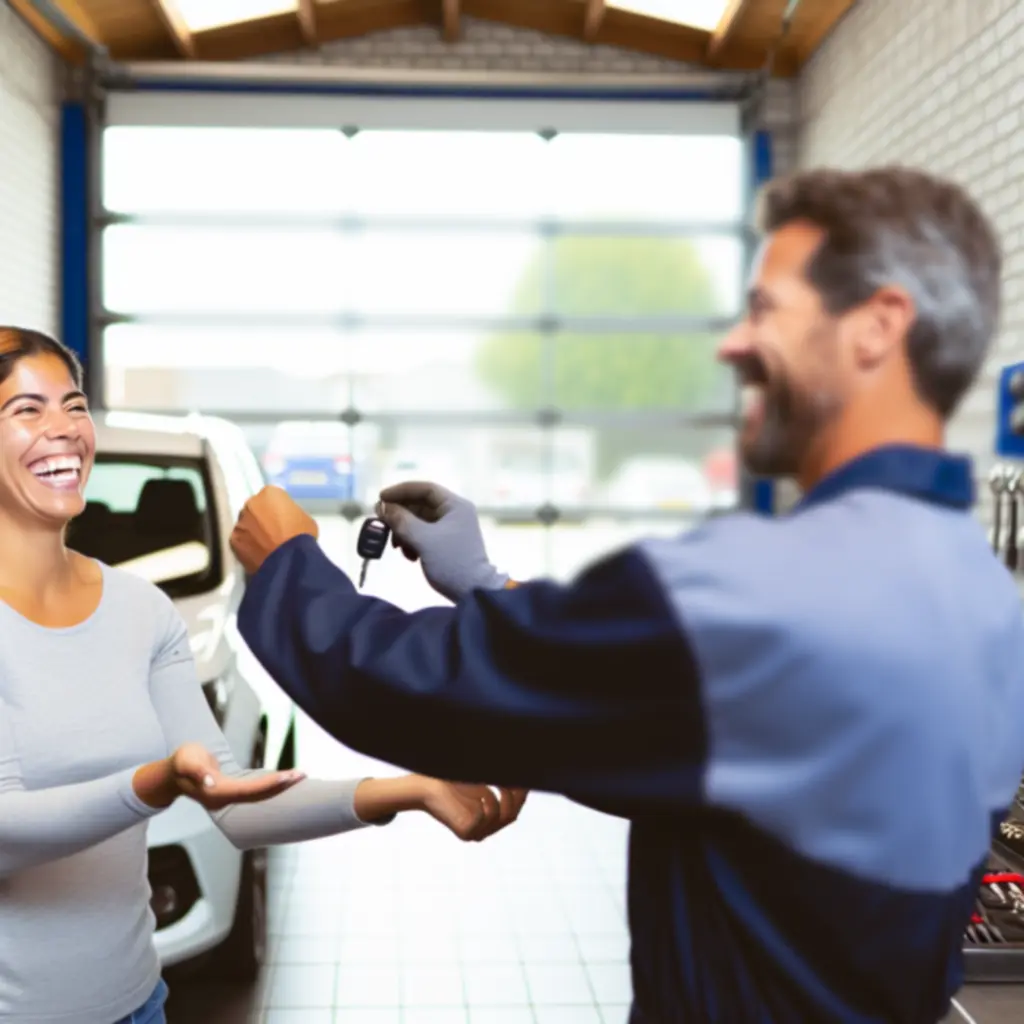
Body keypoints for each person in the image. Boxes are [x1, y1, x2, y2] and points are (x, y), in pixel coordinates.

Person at [229, 166, 1024, 1023]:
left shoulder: (782, 593)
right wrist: (489, 589)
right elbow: (717, 753)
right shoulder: (962, 581)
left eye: (769, 312)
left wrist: (289, 564)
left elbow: (416, 683)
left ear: (878, 325)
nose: (736, 348)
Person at [0, 326, 527, 1024]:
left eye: (73, 404)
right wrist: (155, 782)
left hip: (138, 1005)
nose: (64, 429)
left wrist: (416, 788)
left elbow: (235, 804)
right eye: (26, 410)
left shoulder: (141, 610)